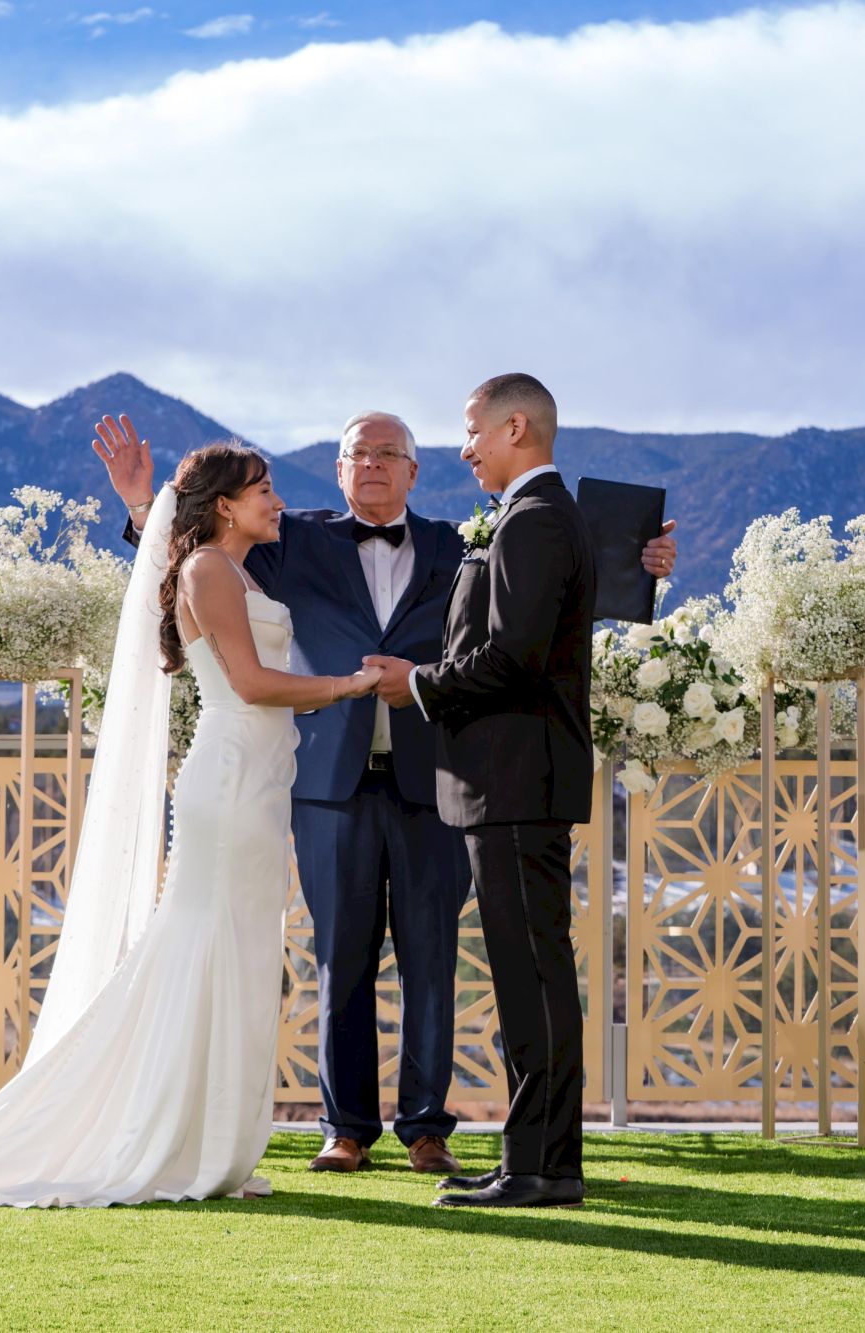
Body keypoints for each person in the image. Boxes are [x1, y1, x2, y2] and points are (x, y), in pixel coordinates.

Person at [94, 409, 675, 1176]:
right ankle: (346, 1126)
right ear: (338, 471)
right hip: (323, 784)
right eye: (356, 454)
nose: (371, 464)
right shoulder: (288, 539)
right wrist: (142, 507)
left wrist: (640, 564)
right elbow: (193, 564)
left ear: (412, 471)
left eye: (387, 454)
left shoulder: (460, 543)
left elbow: (537, 598)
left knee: (433, 959)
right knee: (341, 958)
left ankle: (427, 1127)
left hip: (435, 778)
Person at [0, 442, 381, 1207]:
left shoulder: (232, 567)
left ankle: (205, 1137)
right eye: (264, 490)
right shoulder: (210, 570)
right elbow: (249, 682)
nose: (278, 502)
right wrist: (347, 685)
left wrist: (143, 501)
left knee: (238, 949)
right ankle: (173, 1135)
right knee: (206, 945)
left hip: (256, 779)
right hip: (231, 779)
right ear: (225, 504)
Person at [368, 373, 600, 1209]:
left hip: (514, 779)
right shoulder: (536, 518)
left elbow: (513, 657)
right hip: (510, 781)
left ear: (514, 428)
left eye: (471, 432)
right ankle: (543, 1159)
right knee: (528, 974)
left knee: (531, 976)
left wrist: (418, 684)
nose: (463, 448)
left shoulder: (536, 522)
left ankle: (538, 1167)